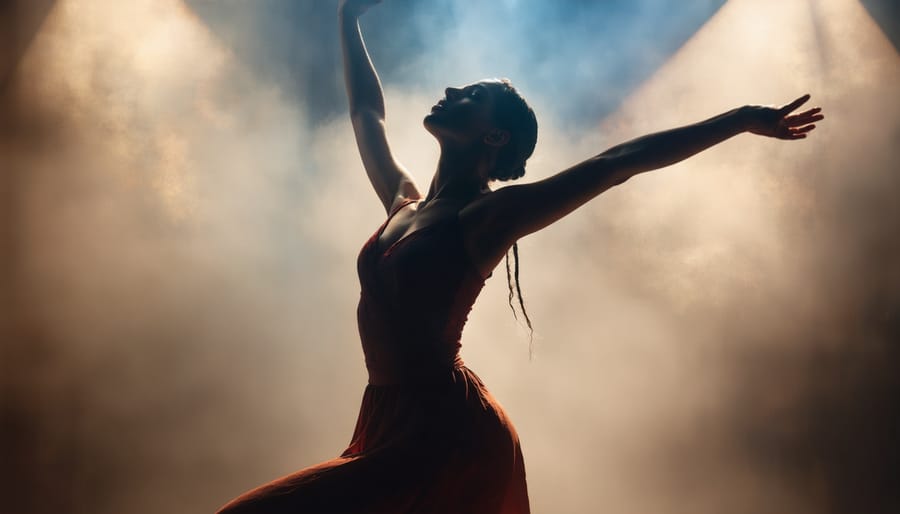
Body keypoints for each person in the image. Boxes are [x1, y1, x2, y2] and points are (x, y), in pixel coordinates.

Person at [215, 0, 824, 512]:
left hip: (443, 431)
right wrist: (348, 17)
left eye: (471, 94)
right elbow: (365, 113)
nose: (451, 90)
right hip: (386, 417)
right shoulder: (403, 202)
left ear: (494, 135)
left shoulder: (487, 218)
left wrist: (741, 118)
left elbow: (619, 164)